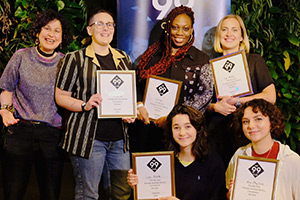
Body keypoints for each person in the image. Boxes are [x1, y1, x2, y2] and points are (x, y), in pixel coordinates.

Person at [55, 8, 134, 200]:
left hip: (119, 141)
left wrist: (130, 111)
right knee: (88, 194)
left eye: (109, 24)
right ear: (89, 30)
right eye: (99, 24)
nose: (105, 28)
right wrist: (85, 104)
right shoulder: (75, 59)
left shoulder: (123, 59)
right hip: (89, 140)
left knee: (121, 193)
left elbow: (127, 95)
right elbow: (61, 96)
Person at [0, 9, 71, 200]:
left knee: (51, 193)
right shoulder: (21, 57)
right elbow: (6, 88)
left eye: (57, 31)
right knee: (13, 193)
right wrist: (5, 111)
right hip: (20, 130)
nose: (51, 34)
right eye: (47, 29)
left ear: (62, 37)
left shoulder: (65, 63)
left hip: (51, 133)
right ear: (37, 32)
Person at [129, 5, 213, 152]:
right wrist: (139, 105)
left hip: (184, 136)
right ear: (168, 28)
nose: (180, 33)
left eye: (185, 28)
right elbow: (135, 83)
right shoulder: (151, 56)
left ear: (192, 30)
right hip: (147, 132)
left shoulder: (200, 59)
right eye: (175, 27)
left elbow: (205, 95)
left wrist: (172, 119)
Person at [206, 14, 276, 165]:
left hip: (250, 133)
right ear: (218, 36)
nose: (229, 34)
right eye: (224, 30)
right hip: (216, 135)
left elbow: (270, 96)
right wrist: (215, 107)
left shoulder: (254, 61)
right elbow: (201, 104)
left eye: (234, 30)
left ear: (242, 37)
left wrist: (238, 101)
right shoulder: (209, 67)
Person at [127, 104, 226, 200]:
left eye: (188, 126)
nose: (182, 133)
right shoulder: (162, 159)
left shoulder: (213, 163)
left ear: (197, 129)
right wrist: (138, 185)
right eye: (176, 128)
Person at [226, 98, 300, 200]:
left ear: (272, 122)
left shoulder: (292, 160)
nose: (251, 126)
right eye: (245, 121)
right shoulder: (239, 155)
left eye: (258, 119)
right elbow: (229, 192)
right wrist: (232, 195)